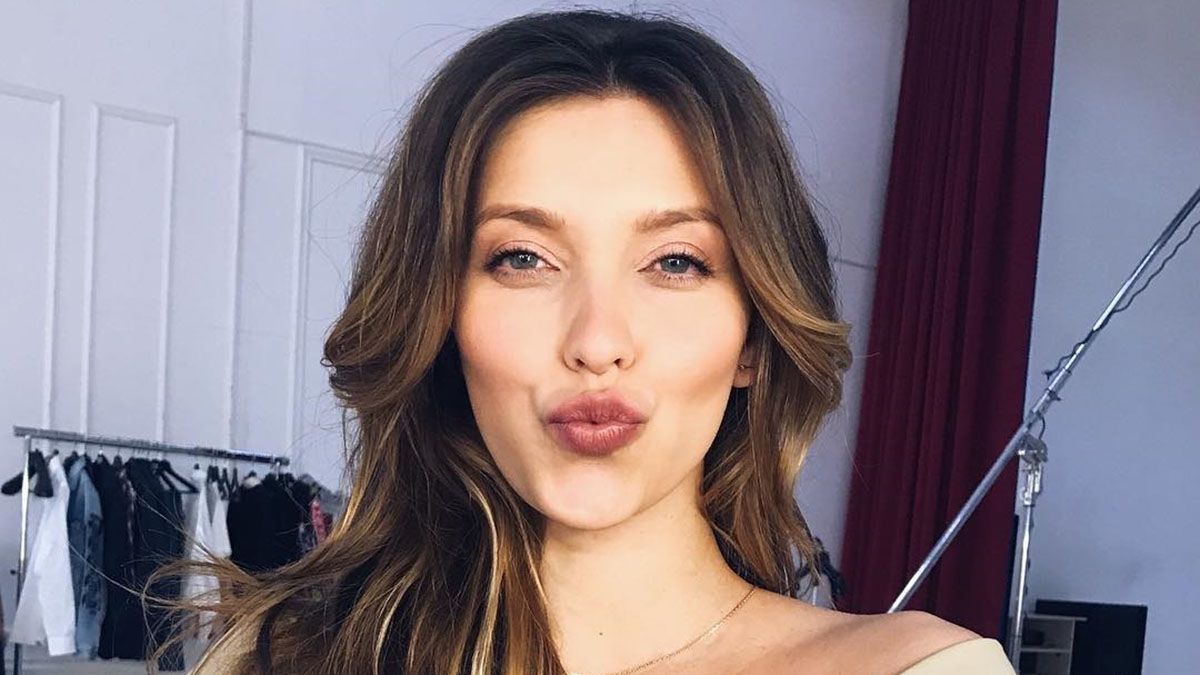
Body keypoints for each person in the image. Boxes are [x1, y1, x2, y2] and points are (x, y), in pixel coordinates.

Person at [176, 8, 1015, 674]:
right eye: (523, 258)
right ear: (439, 315)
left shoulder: (921, 669)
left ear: (755, 338)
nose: (597, 341)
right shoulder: (279, 657)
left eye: (676, 262)